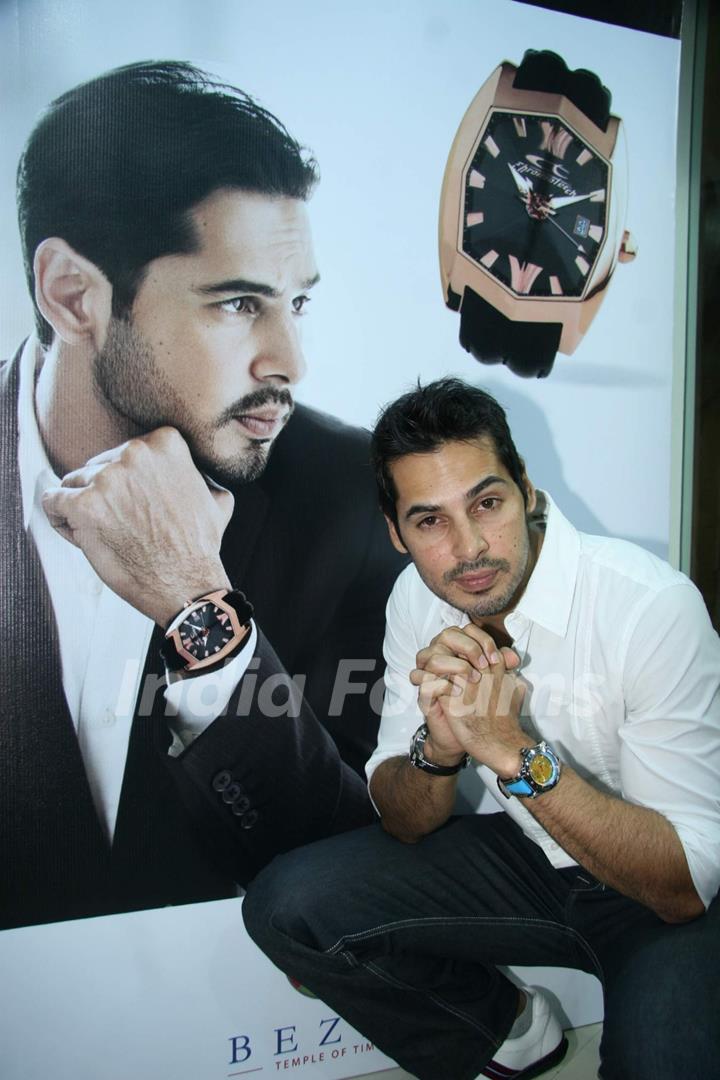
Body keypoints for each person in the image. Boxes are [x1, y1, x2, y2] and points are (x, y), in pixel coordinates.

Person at [0, 60, 405, 931]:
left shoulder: (355, 499)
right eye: (236, 304)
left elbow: (366, 889)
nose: (290, 362)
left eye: (297, 302)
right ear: (73, 295)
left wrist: (200, 612)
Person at [243, 377, 720, 1080]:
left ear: (526, 489)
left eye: (487, 503)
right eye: (430, 521)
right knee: (287, 906)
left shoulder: (649, 607)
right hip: (527, 863)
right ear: (395, 532)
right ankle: (508, 1029)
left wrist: (510, 750)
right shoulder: (417, 599)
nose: (468, 549)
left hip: (654, 885)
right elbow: (404, 821)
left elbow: (685, 886)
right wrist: (437, 749)